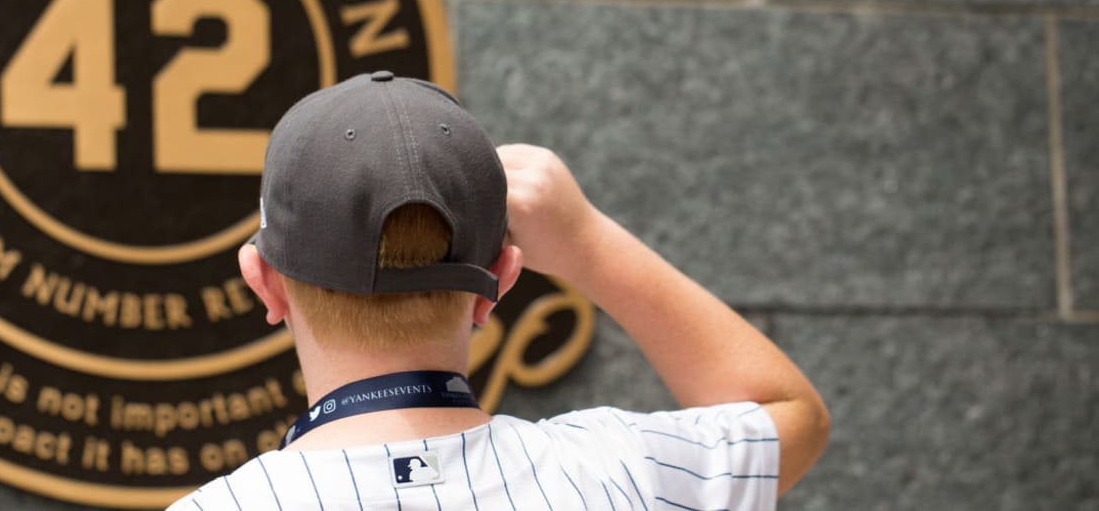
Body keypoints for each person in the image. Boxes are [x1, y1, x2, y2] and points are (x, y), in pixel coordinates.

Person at [169, 72, 829, 510]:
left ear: (264, 283)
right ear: (501, 284)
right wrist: (589, 244)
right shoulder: (623, 472)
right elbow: (789, 411)